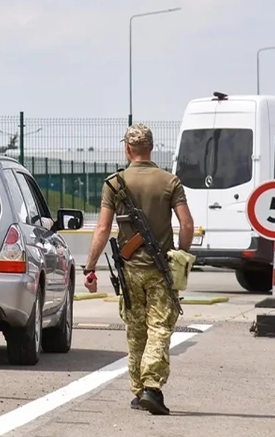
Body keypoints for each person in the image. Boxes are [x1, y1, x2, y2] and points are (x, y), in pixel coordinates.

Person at [82, 123, 194, 415]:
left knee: (135, 330)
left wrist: (90, 267)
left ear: (127, 149)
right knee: (159, 328)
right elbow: (187, 225)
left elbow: (103, 228)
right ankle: (152, 388)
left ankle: (138, 390)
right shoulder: (171, 182)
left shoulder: (114, 183)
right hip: (161, 270)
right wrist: (182, 254)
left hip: (129, 270)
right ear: (152, 148)